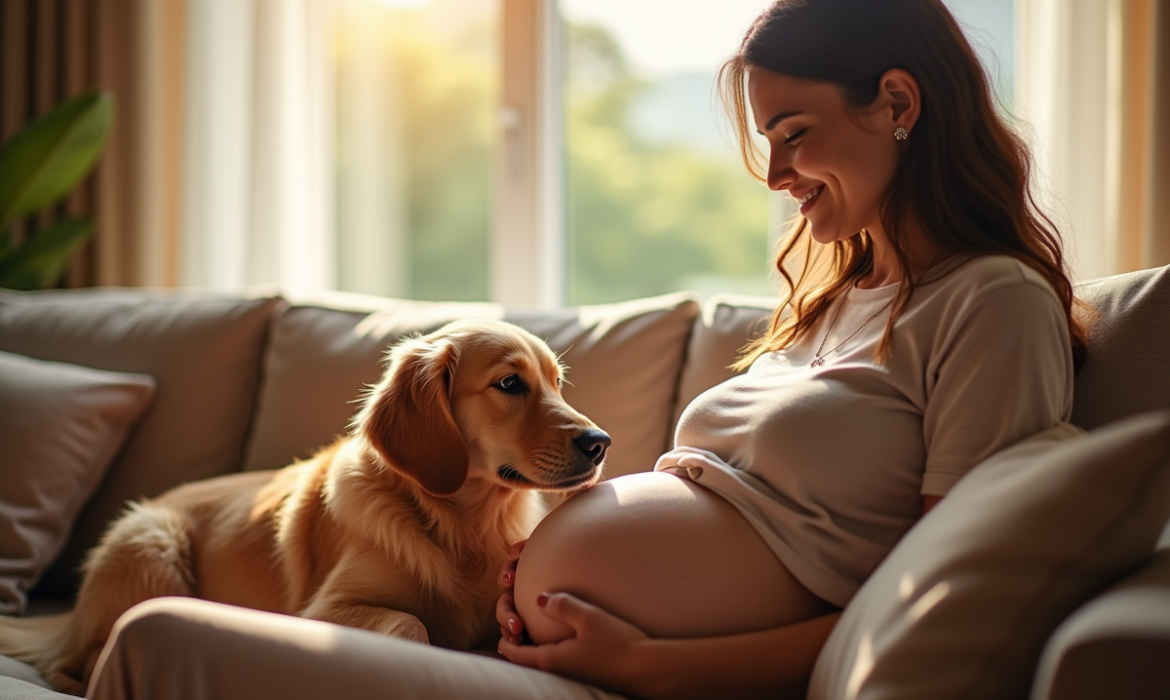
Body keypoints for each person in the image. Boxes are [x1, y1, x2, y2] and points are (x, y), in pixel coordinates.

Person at [85, 0, 1086, 698]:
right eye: (766, 142)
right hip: (532, 645)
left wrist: (650, 664)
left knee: (158, 644)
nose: (775, 173)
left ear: (900, 105)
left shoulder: (989, 305)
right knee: (151, 641)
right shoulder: (844, 298)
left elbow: (935, 604)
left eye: (793, 132)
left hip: (616, 678)